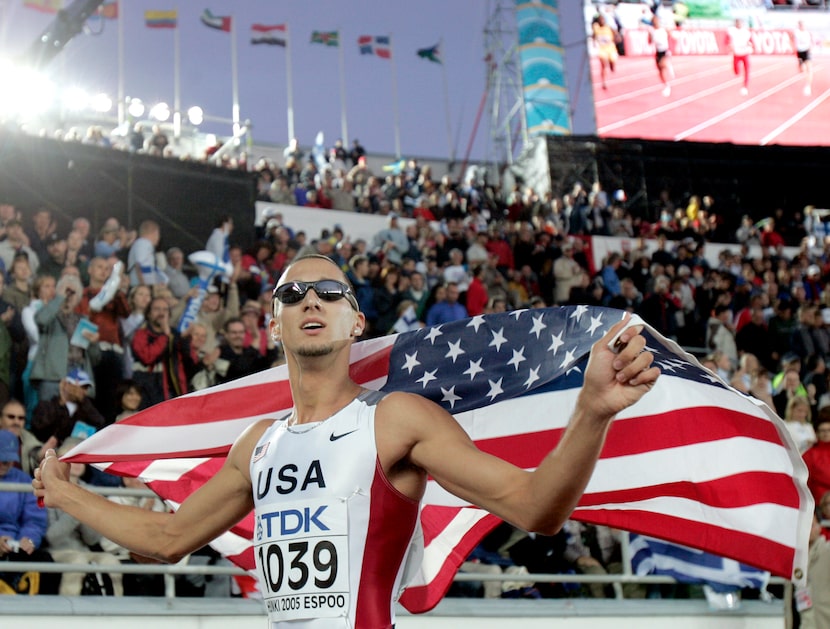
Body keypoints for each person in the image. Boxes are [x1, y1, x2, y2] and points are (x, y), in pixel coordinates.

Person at [34, 254, 658, 627]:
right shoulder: (259, 445)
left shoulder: (395, 420)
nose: (311, 301)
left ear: (356, 320)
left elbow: (534, 507)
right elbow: (166, 539)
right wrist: (65, 496)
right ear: (274, 323)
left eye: (330, 292)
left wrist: (592, 412)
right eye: (291, 295)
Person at [0, 428, 58, 594]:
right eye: (2, 459)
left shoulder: (23, 480)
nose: (7, 464)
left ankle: (46, 614)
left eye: (10, 460)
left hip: (15, 544)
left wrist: (28, 540)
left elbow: (34, 519)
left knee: (45, 562)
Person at [727, 19, 753, 96]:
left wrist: (750, 44)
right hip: (737, 53)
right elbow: (727, 40)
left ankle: (745, 86)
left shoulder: (746, 32)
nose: (739, 24)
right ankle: (737, 72)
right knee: (736, 70)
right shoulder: (731, 31)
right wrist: (729, 45)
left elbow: (751, 41)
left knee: (747, 70)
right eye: (737, 23)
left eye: (740, 23)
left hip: (745, 53)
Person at [592, 14, 618, 90]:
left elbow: (616, 35)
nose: (601, 21)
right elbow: (593, 35)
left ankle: (612, 65)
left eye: (603, 19)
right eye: (600, 20)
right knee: (603, 65)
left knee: (612, 64)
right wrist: (594, 42)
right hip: (602, 49)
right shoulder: (596, 27)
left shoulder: (609, 27)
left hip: (611, 49)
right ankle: (604, 82)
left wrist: (615, 39)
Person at [649, 15, 673, 97]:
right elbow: (649, 42)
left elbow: (670, 34)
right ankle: (666, 84)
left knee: (663, 65)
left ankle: (668, 66)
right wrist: (649, 36)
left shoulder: (663, 29)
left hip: (665, 51)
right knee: (660, 71)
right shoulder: (652, 31)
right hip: (658, 52)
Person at [793, 21, 813, 96]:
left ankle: (808, 86)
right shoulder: (796, 32)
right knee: (801, 69)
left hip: (806, 51)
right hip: (799, 52)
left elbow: (810, 42)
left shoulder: (807, 33)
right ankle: (801, 68)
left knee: (809, 69)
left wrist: (810, 49)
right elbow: (792, 38)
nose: (802, 26)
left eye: (803, 25)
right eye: (800, 25)